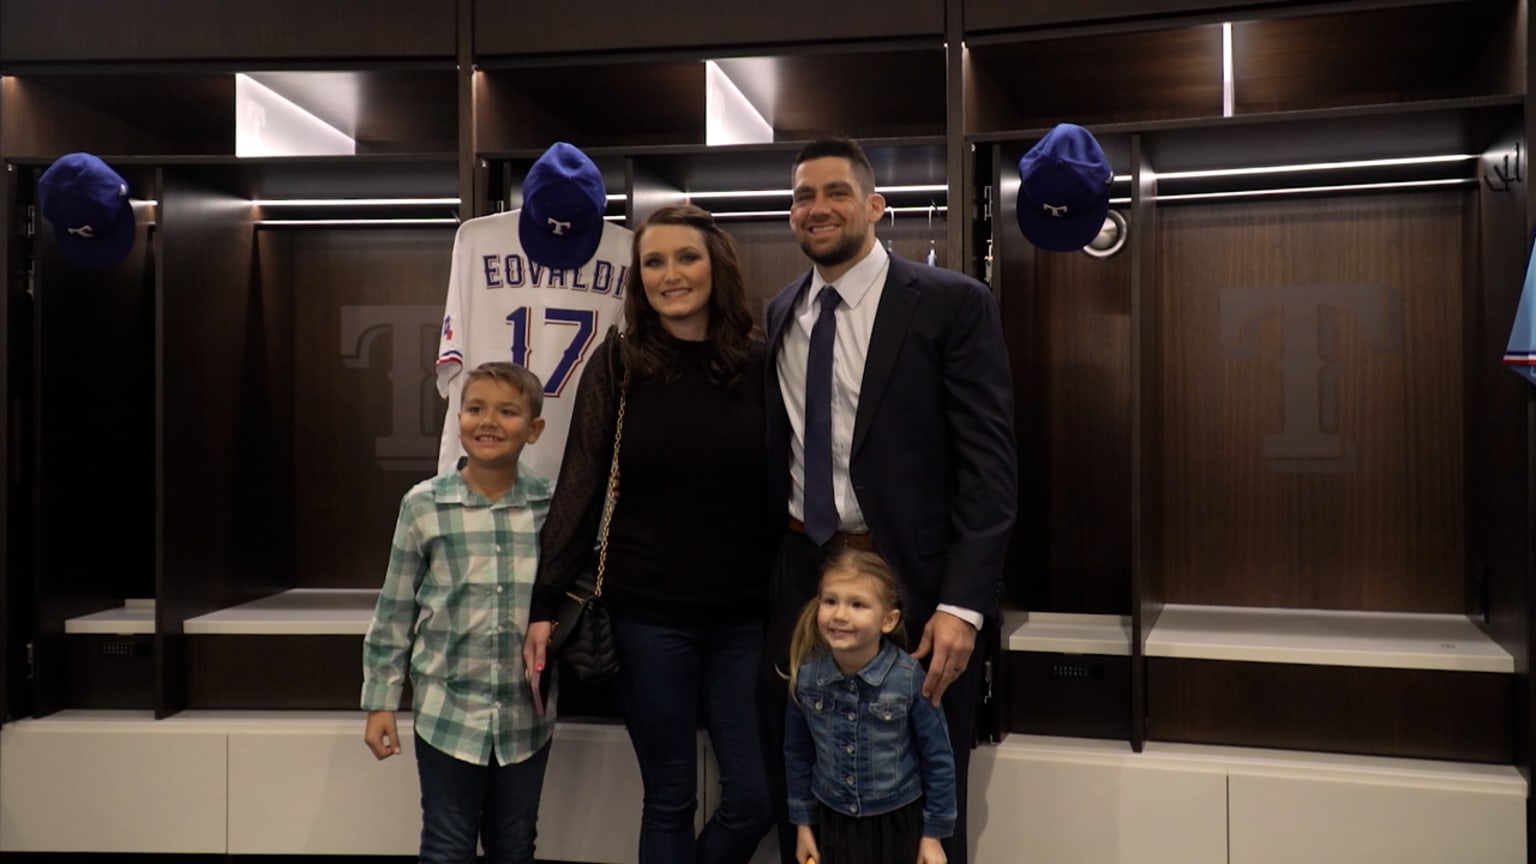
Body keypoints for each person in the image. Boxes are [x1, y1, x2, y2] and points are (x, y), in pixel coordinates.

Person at [763, 137, 1018, 864]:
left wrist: (965, 605)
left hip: (918, 589)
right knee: (805, 793)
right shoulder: (781, 313)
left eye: (836, 192)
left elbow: (990, 470)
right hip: (804, 583)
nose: (819, 208)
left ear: (875, 206)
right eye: (804, 196)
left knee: (928, 811)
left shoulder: (952, 304)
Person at [525, 204, 776, 864]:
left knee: (753, 798)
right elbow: (579, 486)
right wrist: (543, 601)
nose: (671, 274)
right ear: (638, 278)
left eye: (686, 257)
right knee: (668, 797)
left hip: (746, 621)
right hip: (647, 616)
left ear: (715, 265)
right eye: (654, 262)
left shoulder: (761, 360)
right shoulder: (620, 361)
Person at [361, 361, 554, 864]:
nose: (488, 421)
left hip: (525, 718)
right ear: (458, 419)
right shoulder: (424, 505)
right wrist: (381, 700)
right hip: (446, 711)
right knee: (447, 845)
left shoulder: (551, 507)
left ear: (534, 429)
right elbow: (395, 608)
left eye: (507, 411)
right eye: (475, 408)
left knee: (514, 846)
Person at [785, 549, 955, 864]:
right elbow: (797, 753)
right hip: (834, 822)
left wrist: (933, 835)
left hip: (898, 823)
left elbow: (938, 759)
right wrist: (803, 825)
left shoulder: (907, 679)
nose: (839, 615)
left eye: (858, 604)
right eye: (830, 601)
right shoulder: (807, 676)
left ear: (888, 620)